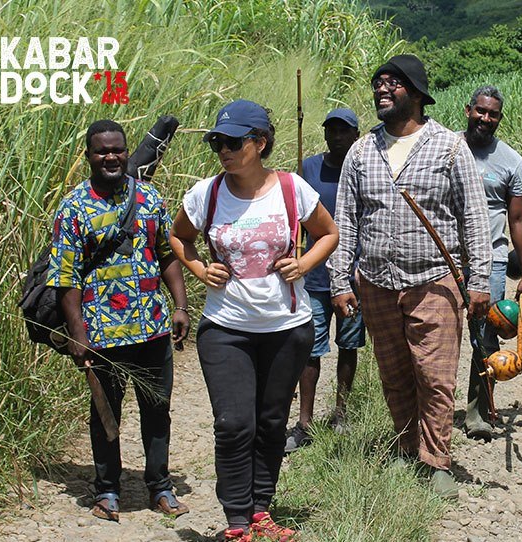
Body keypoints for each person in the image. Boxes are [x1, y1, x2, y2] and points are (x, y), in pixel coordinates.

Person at [169, 100, 338, 540]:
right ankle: (237, 521)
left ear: (259, 143)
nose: (222, 150)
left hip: (287, 327)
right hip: (225, 326)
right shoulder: (205, 193)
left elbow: (328, 233)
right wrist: (201, 270)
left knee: (271, 423)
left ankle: (261, 511)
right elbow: (177, 237)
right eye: (216, 142)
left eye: (232, 141)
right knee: (233, 424)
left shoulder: (292, 189)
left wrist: (304, 265)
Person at [327, 54, 492, 498]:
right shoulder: (362, 151)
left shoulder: (450, 147)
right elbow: (345, 220)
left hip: (434, 280)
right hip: (377, 282)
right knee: (394, 371)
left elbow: (474, 218)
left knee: (435, 376)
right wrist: (341, 281)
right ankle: (405, 448)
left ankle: (437, 460)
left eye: (393, 83)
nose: (382, 89)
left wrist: (478, 282)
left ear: (416, 94)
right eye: (378, 82)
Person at [48, 119, 190, 522]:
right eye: (101, 151)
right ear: (89, 156)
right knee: (105, 412)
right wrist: (78, 334)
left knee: (157, 409)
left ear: (127, 152)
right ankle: (107, 489)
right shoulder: (74, 206)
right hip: (101, 332)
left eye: (117, 150)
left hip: (151, 325)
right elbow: (65, 276)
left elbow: (167, 254)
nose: (111, 157)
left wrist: (180, 306)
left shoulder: (148, 197)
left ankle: (159, 486)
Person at [285, 108, 364, 453]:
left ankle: (341, 413)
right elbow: (294, 214)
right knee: (310, 349)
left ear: (355, 135)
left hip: (352, 275)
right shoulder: (308, 169)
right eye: (331, 130)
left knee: (348, 344)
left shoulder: (362, 168)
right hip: (313, 275)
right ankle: (304, 422)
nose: (336, 137)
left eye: (343, 131)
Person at [460, 85, 522, 440]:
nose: (486, 119)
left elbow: (517, 218)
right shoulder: (447, 148)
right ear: (468, 110)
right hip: (442, 262)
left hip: (489, 263)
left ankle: (479, 411)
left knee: (485, 338)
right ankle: (432, 413)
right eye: (481, 111)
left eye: (493, 115)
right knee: (438, 337)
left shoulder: (510, 160)